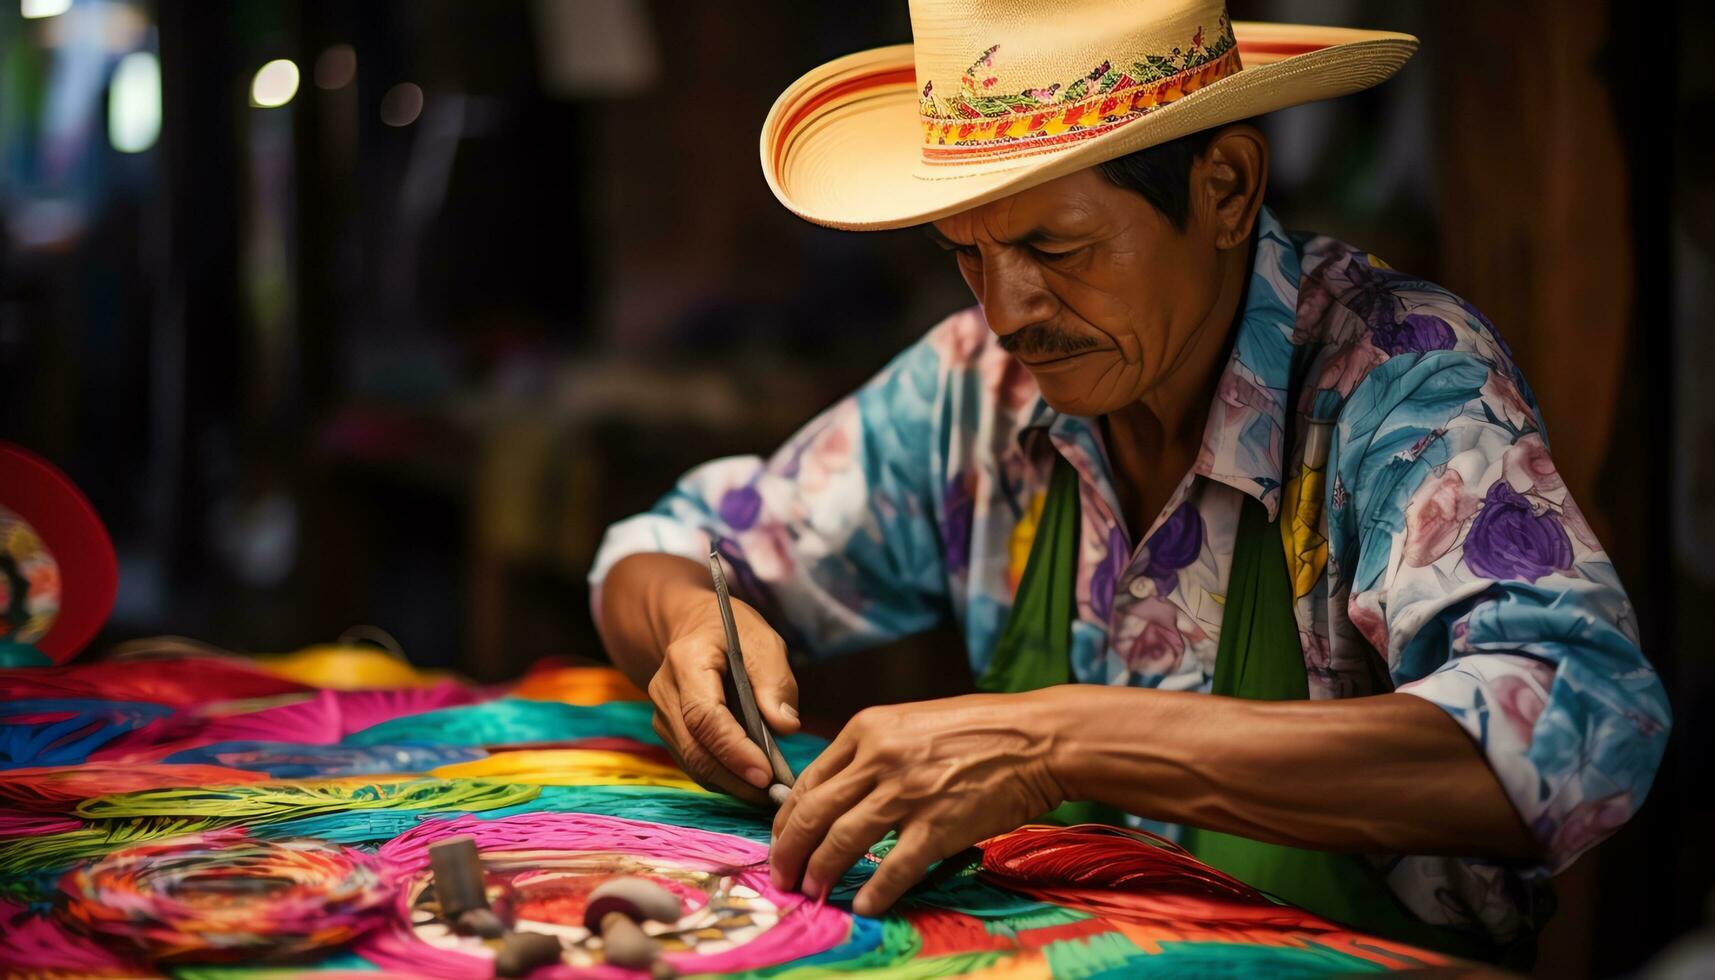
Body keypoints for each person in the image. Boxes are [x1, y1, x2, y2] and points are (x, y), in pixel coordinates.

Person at [589, 0, 1669, 961]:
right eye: (965, 251)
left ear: (1224, 189)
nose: (1006, 309)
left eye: (1053, 246)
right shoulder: (976, 391)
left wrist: (1048, 739)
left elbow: (1575, 729)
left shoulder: (1394, 382)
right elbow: (661, 547)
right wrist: (686, 623)